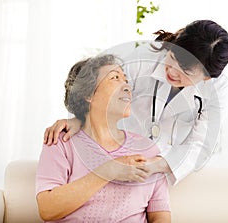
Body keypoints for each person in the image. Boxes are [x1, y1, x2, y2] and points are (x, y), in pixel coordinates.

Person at [44, 19, 228, 185]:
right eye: (172, 57)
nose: (173, 71)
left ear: (207, 78)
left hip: (166, 168)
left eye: (186, 72)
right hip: (117, 155)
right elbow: (103, 92)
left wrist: (157, 165)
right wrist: (80, 119)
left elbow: (202, 144)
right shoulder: (143, 57)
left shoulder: (218, 89)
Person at [36, 54, 171, 222]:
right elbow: (47, 209)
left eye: (126, 79)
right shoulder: (61, 141)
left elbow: (160, 215)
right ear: (89, 94)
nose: (127, 86)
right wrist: (109, 170)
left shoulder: (147, 149)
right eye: (115, 78)